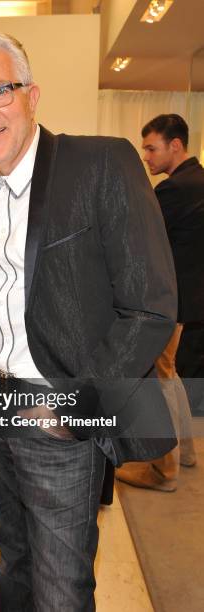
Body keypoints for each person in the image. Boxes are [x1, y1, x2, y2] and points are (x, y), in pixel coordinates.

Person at [0, 33, 177, 611]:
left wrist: (78, 407)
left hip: (60, 406)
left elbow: (150, 304)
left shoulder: (99, 163)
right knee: (13, 563)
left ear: (31, 95)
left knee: (60, 585)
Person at [117, 114, 201, 492]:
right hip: (189, 298)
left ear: (176, 145)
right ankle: (184, 451)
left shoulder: (175, 190)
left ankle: (163, 468)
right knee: (169, 372)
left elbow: (138, 240)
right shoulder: (197, 181)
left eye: (152, 147)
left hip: (171, 300)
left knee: (160, 378)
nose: (146, 156)